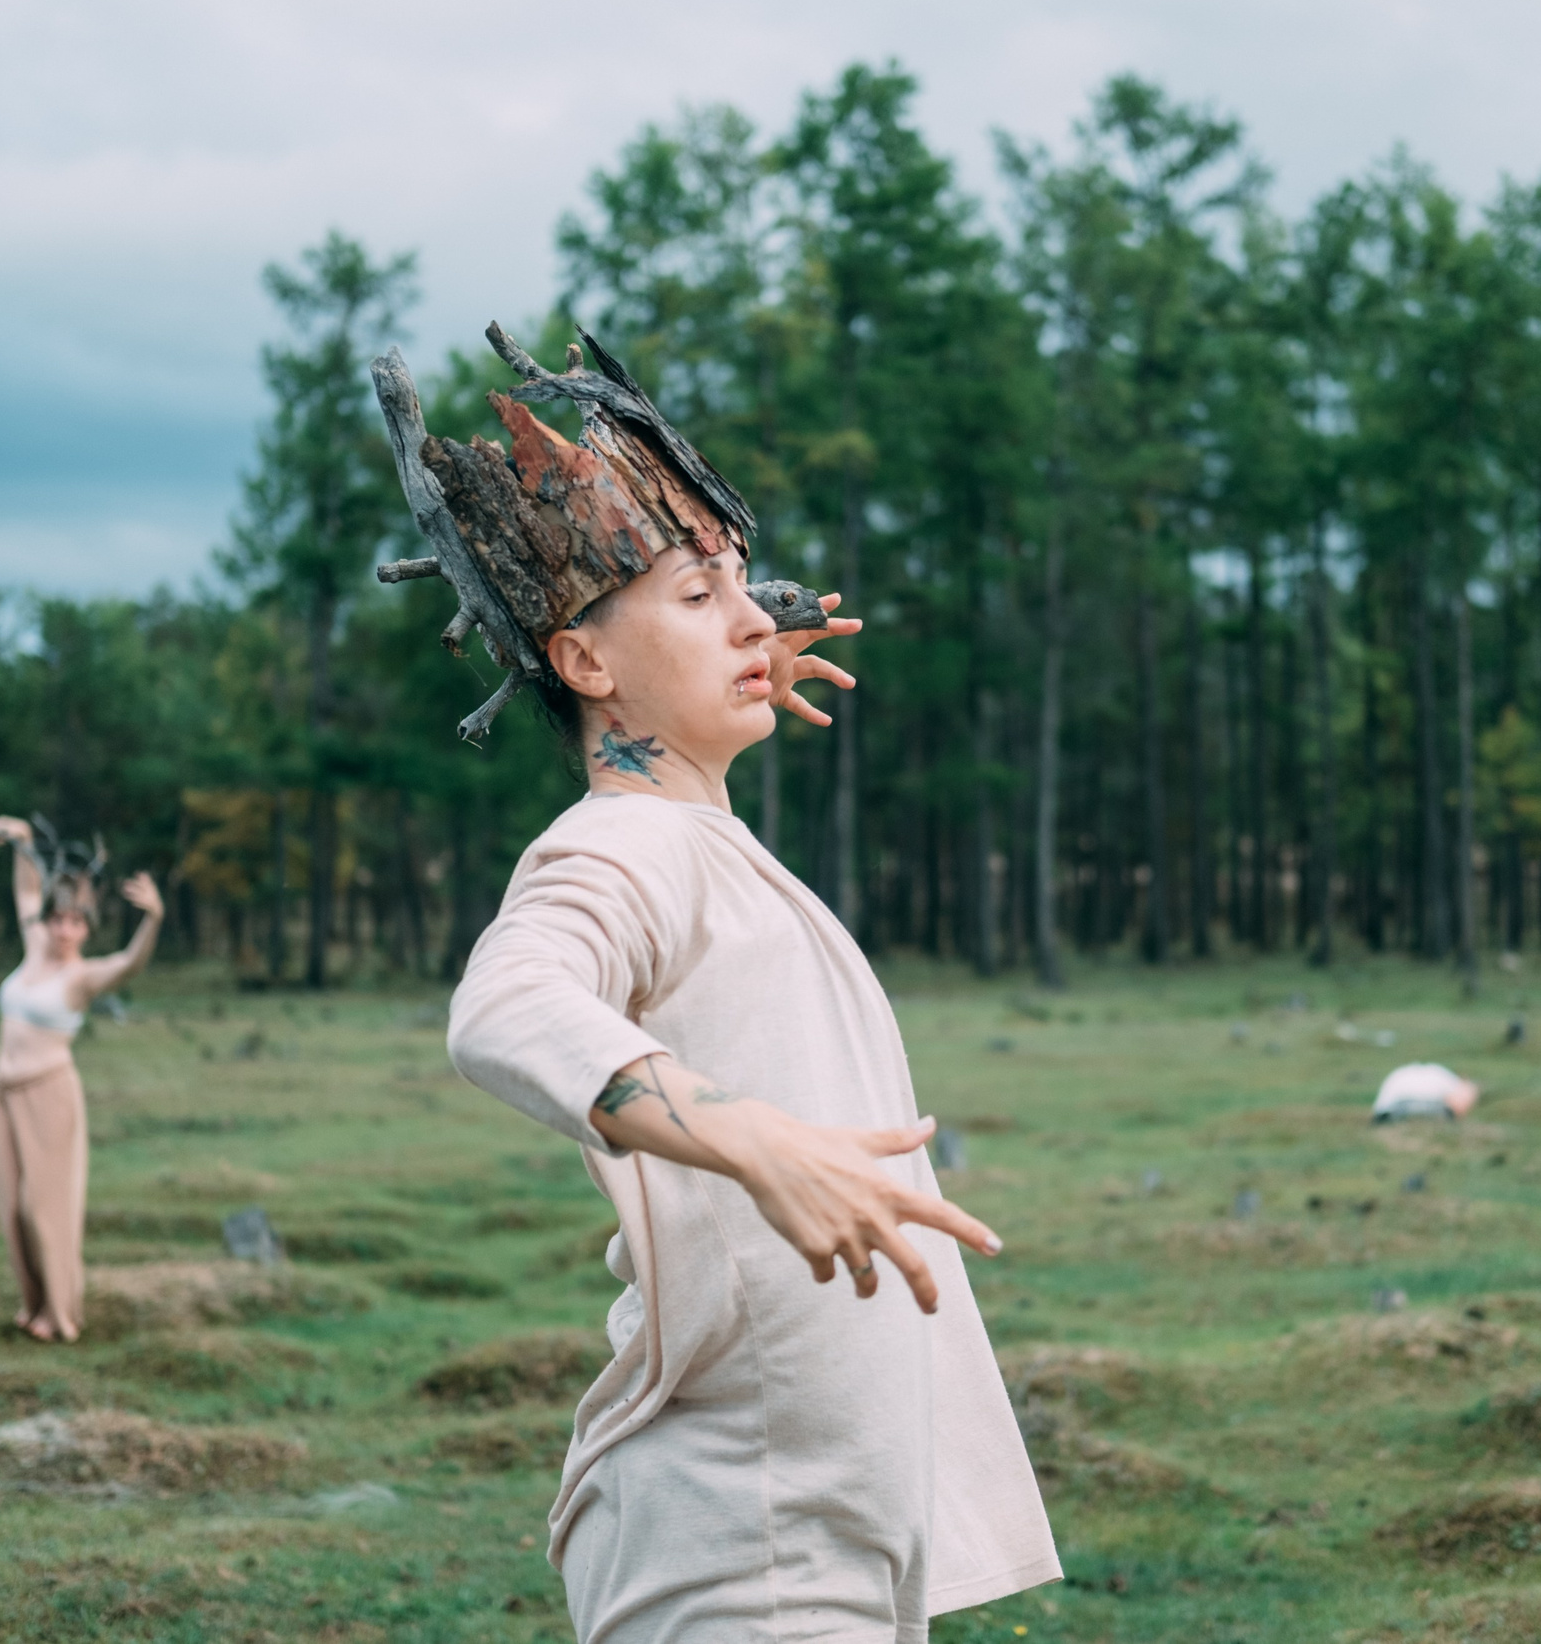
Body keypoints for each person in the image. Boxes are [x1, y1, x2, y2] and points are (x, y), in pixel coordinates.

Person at [408, 330, 1059, 1643]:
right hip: (742, 1552)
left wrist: (715, 656)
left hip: (824, 1538)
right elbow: (504, 1003)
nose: (757, 617)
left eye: (748, 583)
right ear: (586, 663)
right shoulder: (615, 845)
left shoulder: (699, 839)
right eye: (700, 596)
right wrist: (751, 1134)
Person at [0, 815, 164, 1342]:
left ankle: (61, 1314)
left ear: (87, 926)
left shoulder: (82, 977)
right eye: (57, 920)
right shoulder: (34, 948)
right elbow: (27, 888)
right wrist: (22, 840)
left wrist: (153, 919)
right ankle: (32, 1304)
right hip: (2, 1092)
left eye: (75, 923)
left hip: (49, 1093)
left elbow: (129, 964)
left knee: (44, 1208)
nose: (63, 930)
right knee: (11, 1207)